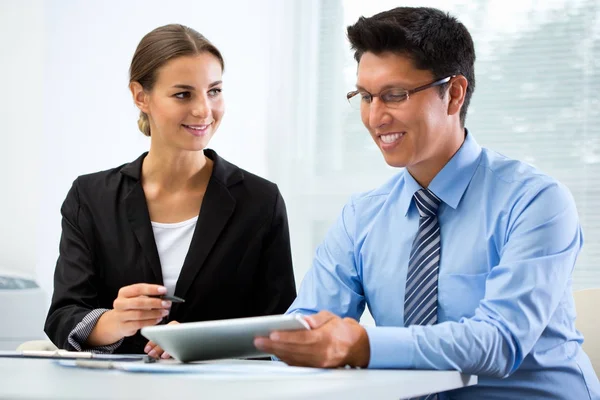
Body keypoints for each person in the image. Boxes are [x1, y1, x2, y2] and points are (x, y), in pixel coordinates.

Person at [254, 7, 600, 399]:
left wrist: (363, 345)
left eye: (394, 95)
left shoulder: (535, 201)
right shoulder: (362, 215)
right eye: (366, 97)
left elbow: (500, 341)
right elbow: (307, 324)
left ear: (454, 93)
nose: (375, 117)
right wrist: (194, 344)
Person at [44, 24, 296, 358]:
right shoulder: (90, 197)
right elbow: (63, 316)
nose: (204, 110)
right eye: (183, 94)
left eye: (214, 91)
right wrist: (119, 322)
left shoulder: (260, 201)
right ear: (140, 96)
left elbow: (280, 326)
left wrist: (199, 341)